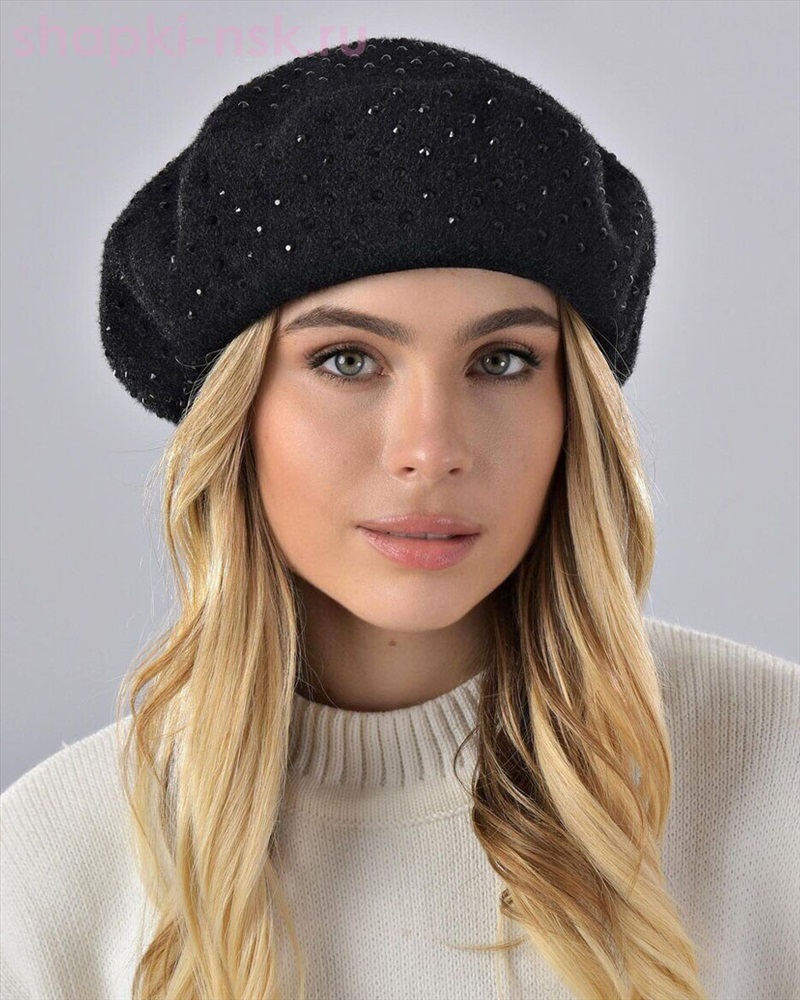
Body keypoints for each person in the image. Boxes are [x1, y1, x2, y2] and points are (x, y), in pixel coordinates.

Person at [1, 36, 798, 1000]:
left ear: (573, 412)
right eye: (347, 360)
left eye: (502, 361)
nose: (431, 448)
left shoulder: (774, 779)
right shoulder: (55, 870)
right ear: (235, 415)